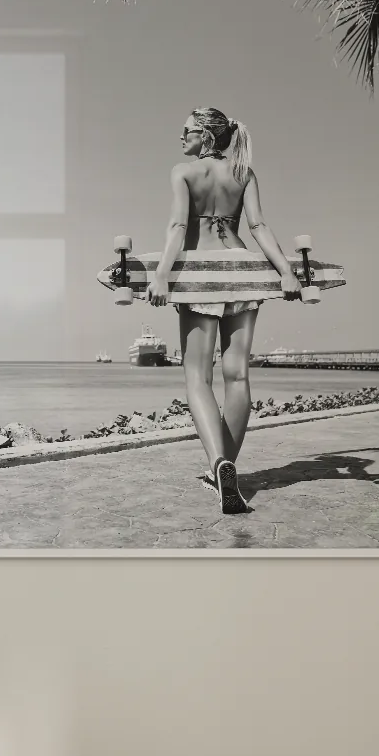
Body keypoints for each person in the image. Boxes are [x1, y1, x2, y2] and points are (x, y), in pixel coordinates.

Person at [147, 106, 301, 514]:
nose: (180, 138)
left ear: (206, 136)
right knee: (238, 375)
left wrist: (162, 275)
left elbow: (179, 228)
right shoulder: (244, 173)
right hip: (243, 268)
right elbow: (259, 227)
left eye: (186, 132)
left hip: (201, 272)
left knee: (198, 376)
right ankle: (226, 468)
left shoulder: (183, 172)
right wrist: (286, 272)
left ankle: (218, 463)